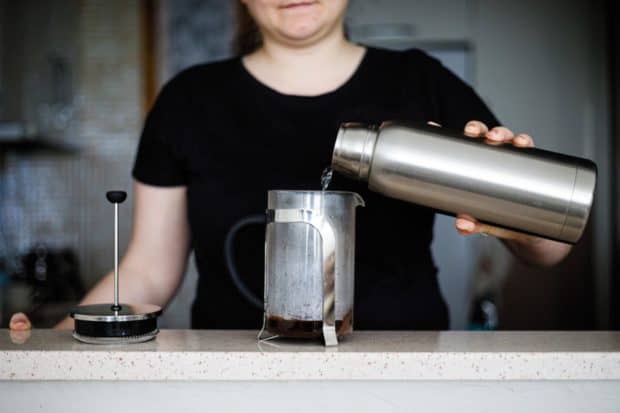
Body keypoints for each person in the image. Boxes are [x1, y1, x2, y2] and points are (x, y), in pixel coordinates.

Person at [10, 0, 571, 332]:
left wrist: (514, 209)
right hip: (233, 383)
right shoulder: (189, 100)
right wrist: (66, 336)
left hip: (405, 373)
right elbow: (149, 272)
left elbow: (551, 249)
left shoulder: (422, 84)